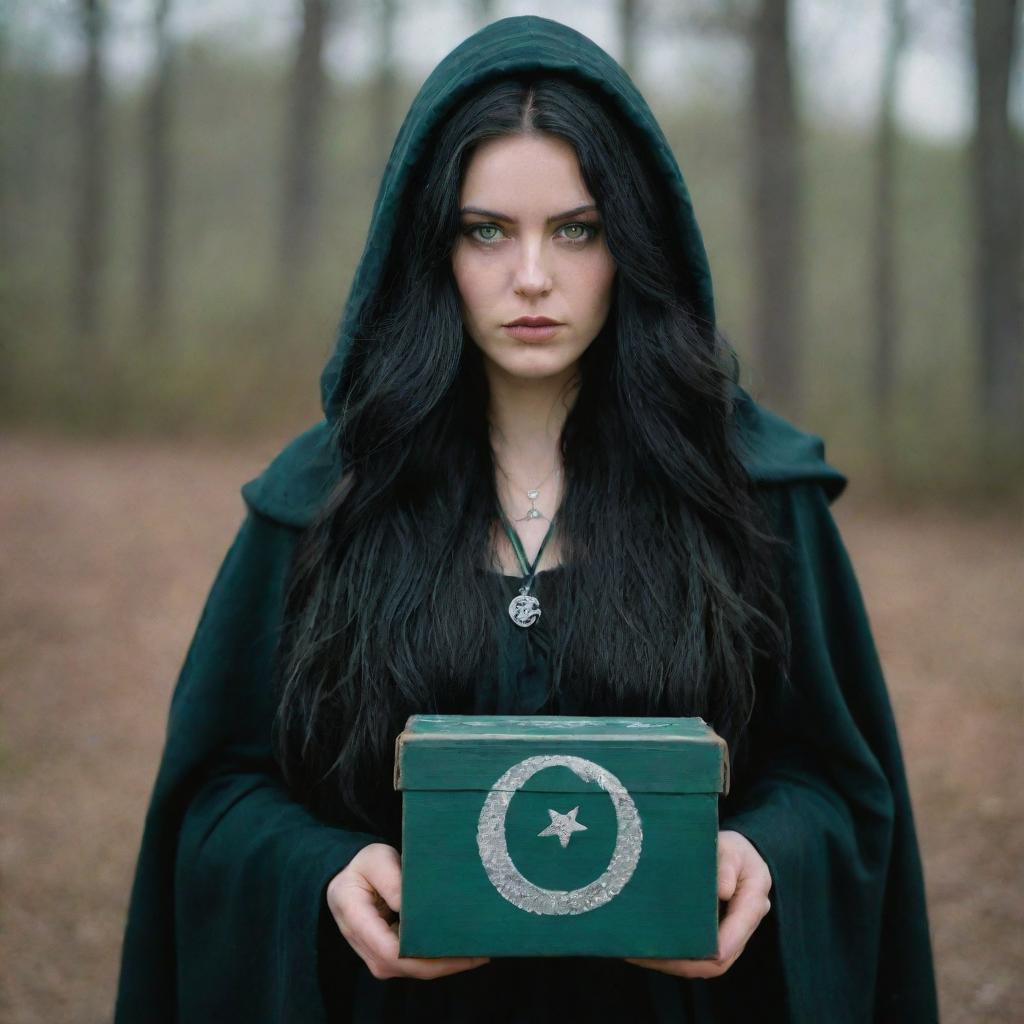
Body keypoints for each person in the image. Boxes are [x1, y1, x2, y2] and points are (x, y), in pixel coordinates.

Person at [114, 15, 938, 1024]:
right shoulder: (323, 499)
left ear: (633, 242)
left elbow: (840, 788)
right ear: (432, 246)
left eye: (577, 230)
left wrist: (758, 855)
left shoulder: (753, 496)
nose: (534, 277)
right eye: (487, 230)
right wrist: (327, 873)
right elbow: (217, 801)